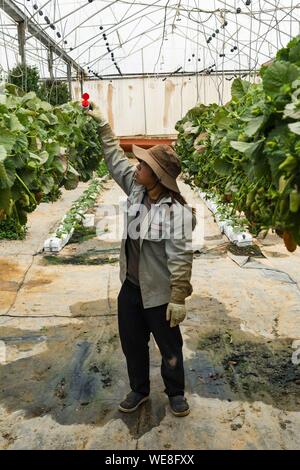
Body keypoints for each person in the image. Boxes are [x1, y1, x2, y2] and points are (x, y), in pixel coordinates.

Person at [88, 104, 196, 417]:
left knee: (169, 347)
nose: (136, 167)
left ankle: (175, 392)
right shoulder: (136, 189)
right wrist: (104, 128)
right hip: (132, 287)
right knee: (132, 343)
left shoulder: (177, 214)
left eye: (143, 165)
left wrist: (178, 297)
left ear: (157, 176)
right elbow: (114, 160)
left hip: (159, 294)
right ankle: (139, 389)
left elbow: (181, 258)